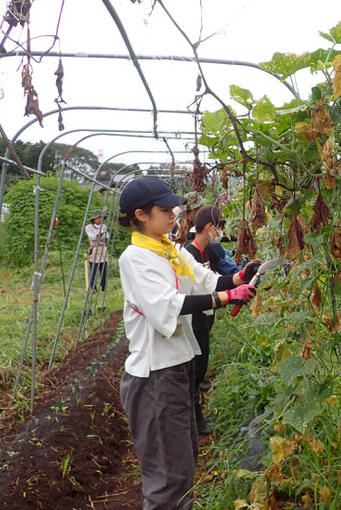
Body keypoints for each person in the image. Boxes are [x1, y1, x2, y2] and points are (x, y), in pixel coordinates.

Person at [116, 177, 258, 509]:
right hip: (154, 377)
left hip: (177, 370)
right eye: (165, 210)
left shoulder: (173, 250)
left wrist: (241, 277)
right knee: (169, 477)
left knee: (182, 466)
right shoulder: (135, 258)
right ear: (140, 215)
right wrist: (226, 298)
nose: (174, 215)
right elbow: (169, 304)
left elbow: (206, 281)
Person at [181, 205, 260, 434]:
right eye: (221, 226)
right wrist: (230, 295)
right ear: (210, 227)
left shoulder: (209, 252)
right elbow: (199, 290)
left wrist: (244, 275)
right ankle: (193, 422)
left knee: (200, 368)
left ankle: (195, 420)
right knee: (194, 372)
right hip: (192, 320)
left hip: (205, 320)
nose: (222, 232)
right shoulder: (189, 253)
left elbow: (216, 280)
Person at [85, 211, 109, 292]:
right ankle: (93, 287)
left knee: (103, 269)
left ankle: (103, 287)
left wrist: (104, 237)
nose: (100, 220)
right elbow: (92, 237)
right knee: (94, 269)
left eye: (101, 218)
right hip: (94, 249)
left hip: (103, 249)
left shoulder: (104, 226)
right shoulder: (88, 227)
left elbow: (107, 236)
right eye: (98, 218)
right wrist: (99, 236)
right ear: (94, 219)